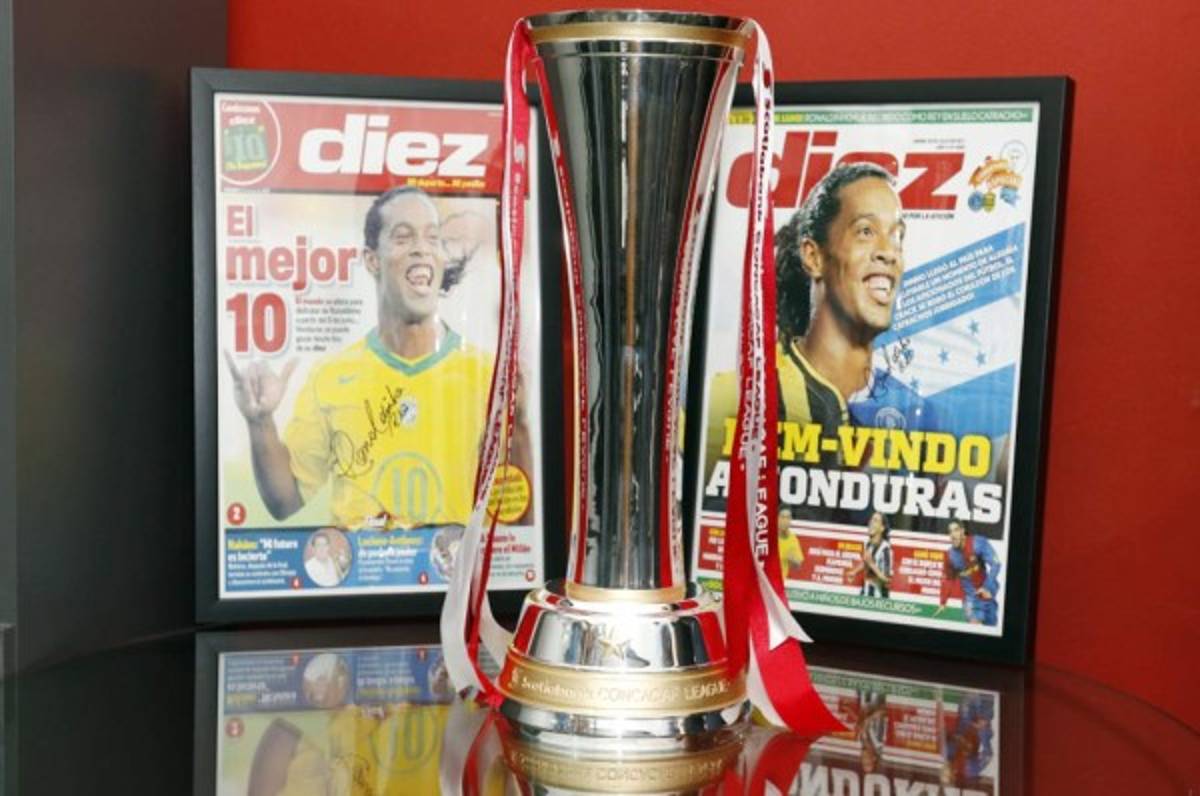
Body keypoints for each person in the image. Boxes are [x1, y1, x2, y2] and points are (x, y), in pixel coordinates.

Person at [226, 186, 531, 531]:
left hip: (452, 567)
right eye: (403, 237)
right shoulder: (331, 377)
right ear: (372, 260)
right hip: (361, 566)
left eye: (432, 238)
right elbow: (285, 501)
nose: (421, 248)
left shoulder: (488, 376)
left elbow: (520, 521)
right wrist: (260, 421)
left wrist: (520, 426)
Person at [937, 520, 1001, 625]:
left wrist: (987, 587)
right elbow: (948, 580)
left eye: (956, 530)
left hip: (987, 595)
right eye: (950, 532)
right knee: (974, 626)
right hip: (970, 599)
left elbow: (996, 564)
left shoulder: (978, 543)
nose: (953, 535)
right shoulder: (949, 556)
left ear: (963, 531)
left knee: (991, 627)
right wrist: (943, 602)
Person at [846, 511, 892, 598]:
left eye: (875, 520)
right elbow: (867, 562)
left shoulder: (885, 549)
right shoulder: (868, 544)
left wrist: (871, 564)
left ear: (882, 528)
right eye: (871, 520)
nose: (871, 522)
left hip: (877, 598)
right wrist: (854, 572)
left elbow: (887, 580)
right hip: (865, 593)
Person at [777, 507, 804, 580]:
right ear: (776, 518)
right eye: (782, 517)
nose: (785, 521)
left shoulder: (793, 539)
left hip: (780, 582)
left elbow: (798, 565)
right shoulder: (768, 535)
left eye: (788, 518)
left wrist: (793, 561)